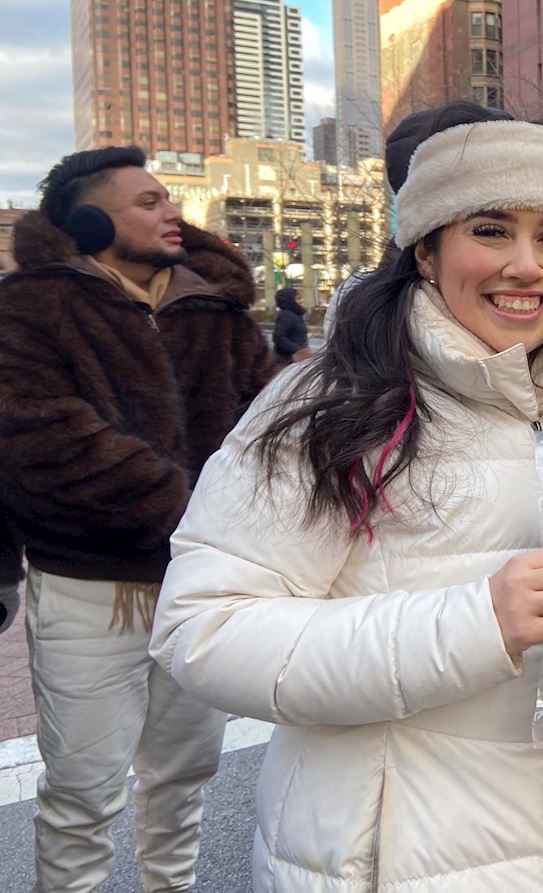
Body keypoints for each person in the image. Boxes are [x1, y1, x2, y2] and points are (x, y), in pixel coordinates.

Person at [150, 102, 543, 893]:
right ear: (426, 250)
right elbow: (202, 629)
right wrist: (477, 621)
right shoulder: (333, 402)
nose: (527, 265)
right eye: (490, 229)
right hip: (404, 862)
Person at [0, 146, 274, 892]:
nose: (171, 212)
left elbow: (267, 429)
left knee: (185, 775)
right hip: (89, 587)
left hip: (202, 586)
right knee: (82, 792)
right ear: (88, 220)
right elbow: (42, 440)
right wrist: (199, 511)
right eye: (148, 201)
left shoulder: (219, 310)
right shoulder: (29, 308)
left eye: (168, 199)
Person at [272, 285, 311, 363]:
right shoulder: (286, 316)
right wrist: (296, 349)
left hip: (298, 358)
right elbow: (278, 337)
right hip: (288, 359)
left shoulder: (296, 314)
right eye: (297, 299)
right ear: (289, 301)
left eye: (300, 298)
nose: (301, 301)